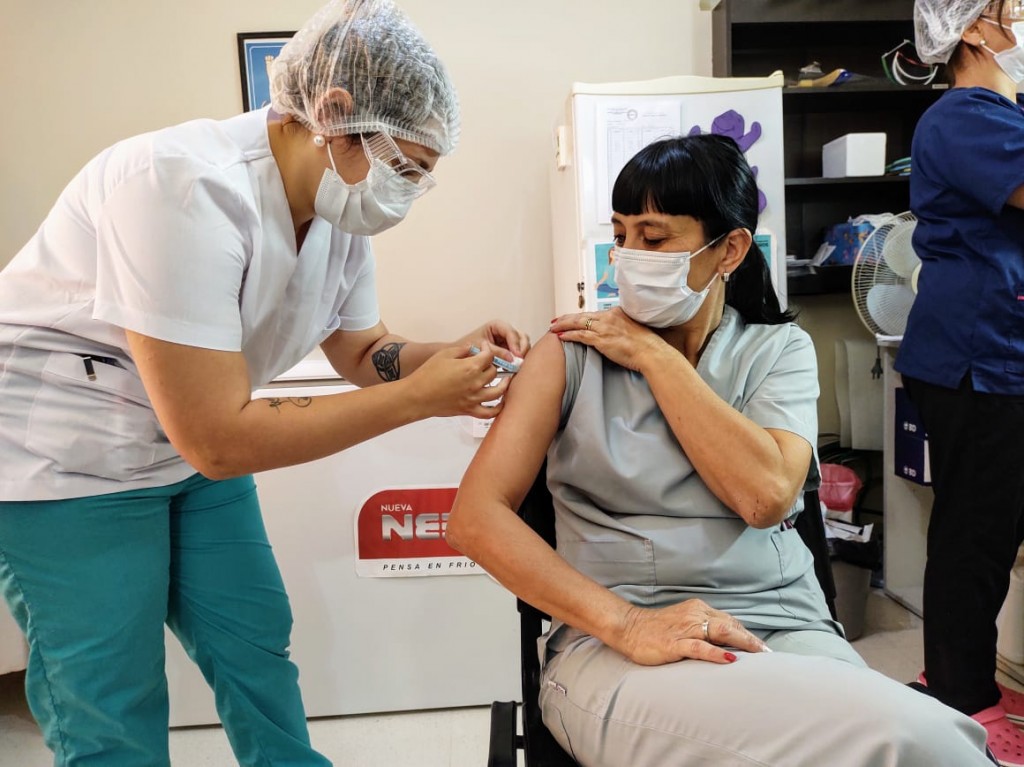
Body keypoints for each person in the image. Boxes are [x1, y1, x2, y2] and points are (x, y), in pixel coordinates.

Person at [0, 1, 529, 764]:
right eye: (404, 167)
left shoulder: (338, 211)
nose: (407, 192)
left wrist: (451, 355)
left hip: (187, 443)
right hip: (68, 458)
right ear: (334, 113)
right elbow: (219, 439)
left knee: (253, 640)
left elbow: (365, 349)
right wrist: (419, 398)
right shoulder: (181, 185)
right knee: (111, 696)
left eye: (422, 177)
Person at [447, 135, 994, 766]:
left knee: (918, 740)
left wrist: (656, 358)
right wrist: (629, 625)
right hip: (622, 643)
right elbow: (474, 518)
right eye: (621, 235)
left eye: (654, 238)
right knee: (911, 742)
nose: (627, 257)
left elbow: (766, 497)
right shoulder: (570, 353)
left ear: (730, 249)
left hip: (783, 626)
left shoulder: (776, 351)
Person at [894, 1, 1024, 763]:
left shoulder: (1000, 117)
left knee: (988, 529)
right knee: (977, 536)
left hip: (994, 354)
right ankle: (960, 696)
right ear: (973, 26)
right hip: (979, 356)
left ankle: (958, 675)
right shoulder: (966, 116)